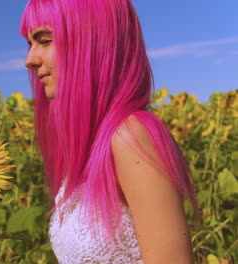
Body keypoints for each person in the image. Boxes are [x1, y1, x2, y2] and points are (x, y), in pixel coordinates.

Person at [20, 0, 202, 263]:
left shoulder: (131, 137)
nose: (29, 60)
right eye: (30, 43)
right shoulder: (93, 145)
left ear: (92, 42)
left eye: (45, 40)